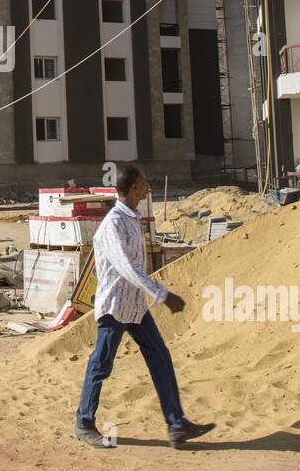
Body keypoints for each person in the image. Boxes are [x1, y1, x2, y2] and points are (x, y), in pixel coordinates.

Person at [75, 163, 215, 449]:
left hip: (135, 307)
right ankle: (84, 422)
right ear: (134, 188)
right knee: (101, 364)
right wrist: (162, 294)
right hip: (115, 307)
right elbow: (127, 268)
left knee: (160, 357)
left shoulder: (131, 218)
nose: (148, 188)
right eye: (144, 184)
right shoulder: (113, 223)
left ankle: (176, 424)